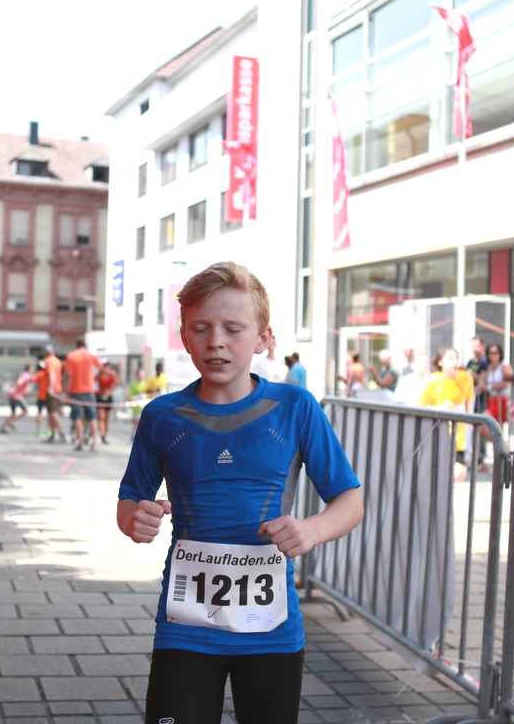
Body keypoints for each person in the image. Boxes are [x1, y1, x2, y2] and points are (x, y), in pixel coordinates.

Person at [117, 261, 363, 724]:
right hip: (186, 629)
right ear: (185, 337)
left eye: (233, 329)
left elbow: (349, 501)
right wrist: (134, 519)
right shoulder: (161, 416)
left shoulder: (295, 406)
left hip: (271, 631)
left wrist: (311, 530)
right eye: (201, 328)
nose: (216, 341)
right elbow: (129, 499)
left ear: (263, 338)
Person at [419, 347, 475, 472]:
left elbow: (469, 405)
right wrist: (441, 408)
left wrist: (471, 426)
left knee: (459, 471)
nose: (455, 361)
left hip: (458, 436)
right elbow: (421, 408)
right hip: (436, 434)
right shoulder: (432, 380)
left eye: (456, 358)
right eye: (450, 358)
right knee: (438, 471)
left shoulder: (466, 378)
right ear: (440, 362)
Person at [64, 337, 103, 452]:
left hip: (75, 390)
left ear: (76, 345)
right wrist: (95, 378)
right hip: (89, 390)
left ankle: (81, 442)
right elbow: (101, 368)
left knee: (77, 417)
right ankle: (94, 443)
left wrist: (67, 391)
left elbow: (69, 376)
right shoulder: (91, 355)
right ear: (85, 345)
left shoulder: (71, 356)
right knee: (92, 417)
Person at [0, 364, 35, 434]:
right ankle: (11, 421)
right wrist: (16, 393)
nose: (33, 370)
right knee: (26, 411)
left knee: (13, 413)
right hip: (17, 396)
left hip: (12, 394)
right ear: (29, 369)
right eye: (32, 368)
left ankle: (3, 428)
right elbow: (19, 383)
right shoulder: (26, 375)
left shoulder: (23, 374)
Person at [483, 343, 512, 428]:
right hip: (491, 399)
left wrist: (489, 387)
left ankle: (498, 438)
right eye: (491, 353)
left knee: (483, 423)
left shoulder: (504, 366)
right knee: (495, 427)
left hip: (500, 399)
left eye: (496, 353)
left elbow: (506, 383)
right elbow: (483, 380)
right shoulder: (490, 367)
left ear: (500, 354)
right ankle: (498, 437)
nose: (493, 356)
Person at [43, 345, 66, 443]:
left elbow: (52, 375)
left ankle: (61, 433)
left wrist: (51, 388)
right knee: (51, 413)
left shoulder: (49, 361)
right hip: (58, 389)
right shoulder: (57, 361)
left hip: (53, 390)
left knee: (53, 413)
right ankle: (52, 434)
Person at [95, 358, 121, 445]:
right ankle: (102, 435)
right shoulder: (99, 374)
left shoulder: (112, 374)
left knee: (106, 418)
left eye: (106, 365)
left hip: (108, 398)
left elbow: (116, 384)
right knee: (101, 417)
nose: (105, 367)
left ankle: (104, 436)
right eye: (103, 365)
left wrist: (109, 392)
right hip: (100, 397)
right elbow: (93, 383)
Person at [465, 336, 489, 414]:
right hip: (472, 395)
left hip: (483, 398)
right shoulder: (470, 362)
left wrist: (470, 373)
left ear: (483, 346)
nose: (475, 349)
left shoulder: (485, 361)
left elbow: (483, 379)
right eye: (473, 347)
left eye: (477, 346)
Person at [128, 366, 149, 433]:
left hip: (145, 406)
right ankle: (134, 433)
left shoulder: (146, 383)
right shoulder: (134, 384)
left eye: (142, 375)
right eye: (140, 375)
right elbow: (130, 395)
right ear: (137, 376)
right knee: (138, 422)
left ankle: (138, 434)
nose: (141, 377)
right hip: (137, 407)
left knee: (143, 422)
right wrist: (133, 400)